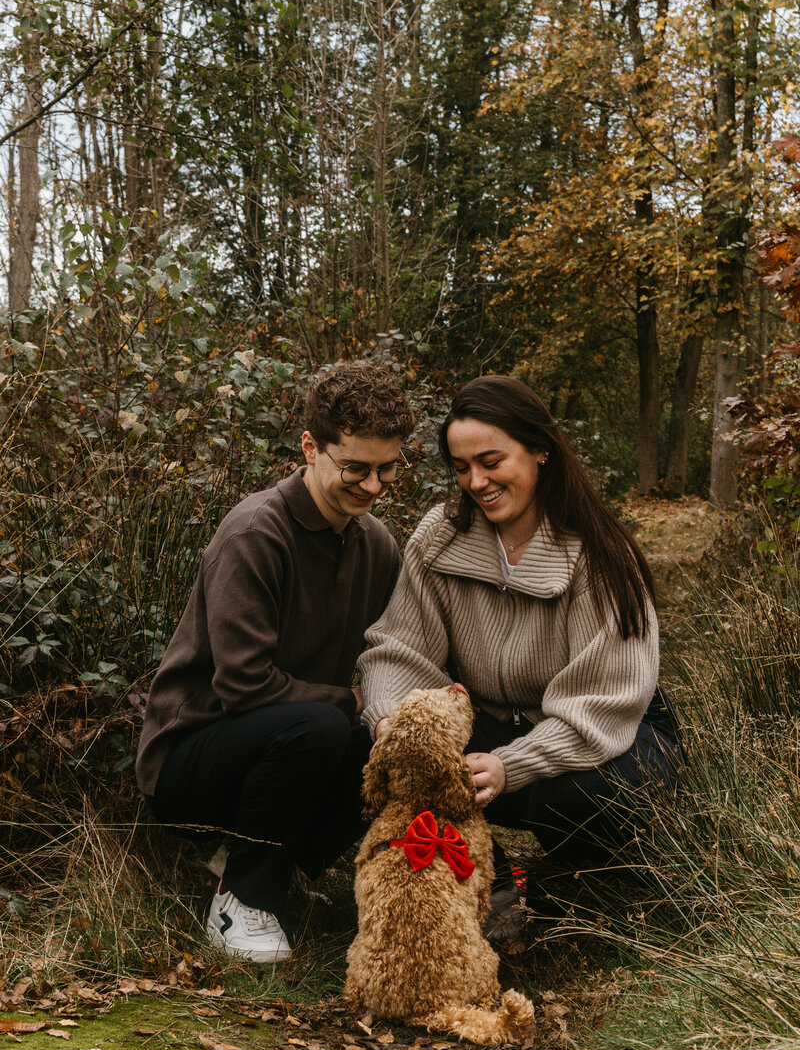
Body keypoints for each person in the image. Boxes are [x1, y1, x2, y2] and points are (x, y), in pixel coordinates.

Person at [359, 375, 682, 926]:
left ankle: (597, 882)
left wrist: (511, 765)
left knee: (581, 795)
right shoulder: (441, 535)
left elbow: (602, 702)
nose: (476, 482)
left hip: (609, 733)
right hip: (491, 722)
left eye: (491, 460)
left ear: (539, 450)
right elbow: (397, 650)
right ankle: (491, 876)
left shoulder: (600, 555)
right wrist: (401, 728)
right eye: (461, 467)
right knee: (369, 748)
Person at [136, 363, 415, 963]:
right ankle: (243, 899)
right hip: (191, 755)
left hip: (284, 746)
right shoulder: (255, 533)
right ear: (311, 448)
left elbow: (397, 652)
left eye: (387, 468)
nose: (373, 486)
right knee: (324, 724)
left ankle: (269, 857)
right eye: (355, 469)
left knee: (392, 736)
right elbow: (242, 684)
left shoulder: (379, 545)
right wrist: (352, 703)